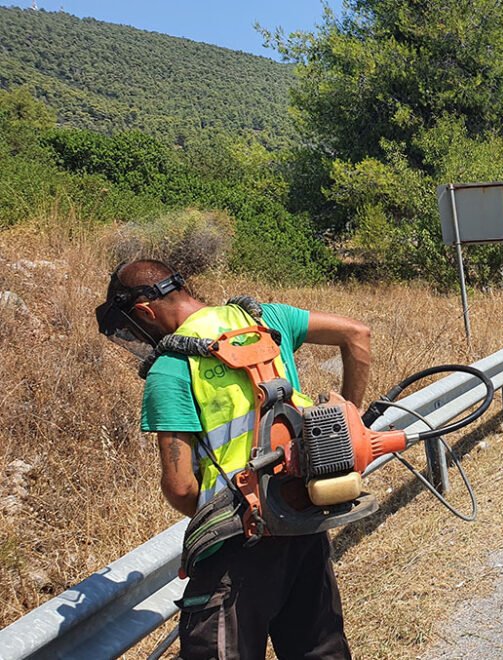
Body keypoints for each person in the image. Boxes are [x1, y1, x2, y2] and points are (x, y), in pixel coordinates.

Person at [95, 259, 371, 659]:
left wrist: (218, 515)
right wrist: (351, 418)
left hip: (236, 544)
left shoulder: (170, 369)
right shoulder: (266, 319)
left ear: (144, 312)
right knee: (319, 648)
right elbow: (357, 335)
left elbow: (180, 487)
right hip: (303, 519)